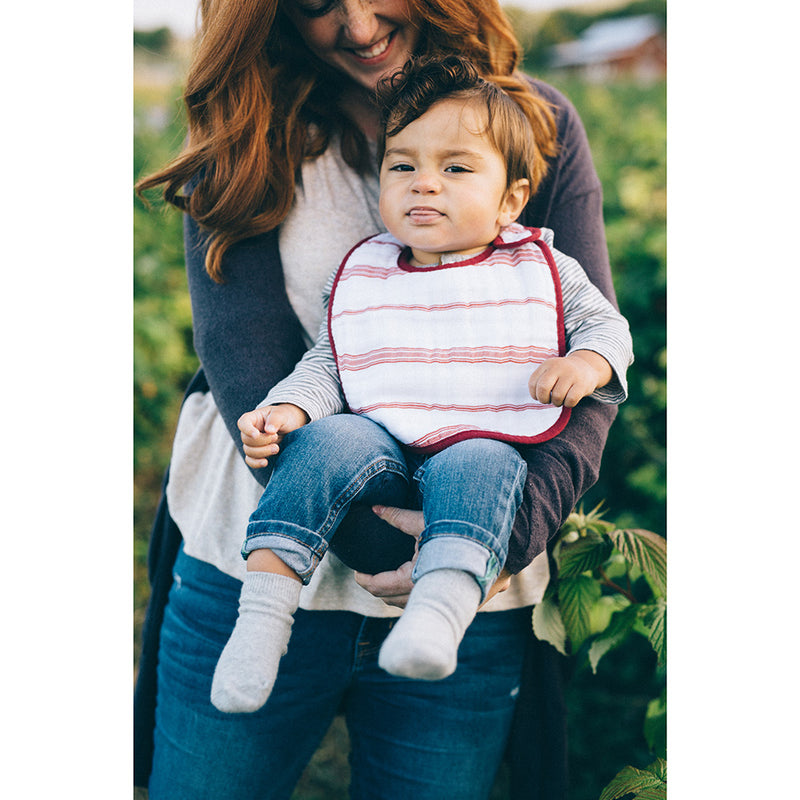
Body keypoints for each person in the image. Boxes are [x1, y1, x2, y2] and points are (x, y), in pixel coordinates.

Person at [134, 1, 626, 798]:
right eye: (317, 4)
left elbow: (590, 359)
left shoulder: (534, 122)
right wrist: (375, 542)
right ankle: (264, 615)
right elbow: (250, 361)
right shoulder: (246, 138)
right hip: (257, 540)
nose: (358, 27)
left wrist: (496, 535)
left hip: (472, 576)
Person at [209, 55, 633, 715]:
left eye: (456, 168)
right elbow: (335, 361)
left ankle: (438, 612)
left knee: (485, 459)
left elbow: (607, 330)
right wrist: (289, 407)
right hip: (375, 451)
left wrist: (583, 367)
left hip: (478, 437)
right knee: (325, 441)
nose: (424, 185)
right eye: (402, 166)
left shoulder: (540, 266)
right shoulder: (368, 273)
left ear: (511, 199)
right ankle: (263, 615)